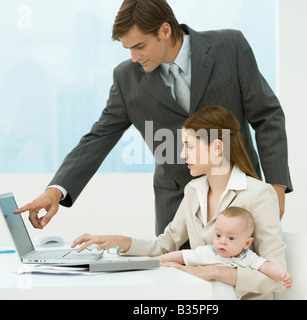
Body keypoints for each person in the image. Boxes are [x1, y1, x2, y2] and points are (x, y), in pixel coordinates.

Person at [14, 0, 292, 238]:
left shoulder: (230, 47)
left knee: (244, 281)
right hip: (176, 207)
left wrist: (275, 187)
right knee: (177, 288)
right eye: (128, 50)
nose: (134, 58)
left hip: (240, 196)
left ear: (165, 30)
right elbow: (98, 137)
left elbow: (267, 115)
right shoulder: (126, 78)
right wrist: (55, 191)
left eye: (139, 46)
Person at [71, 105, 287, 300]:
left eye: (189, 146)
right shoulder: (193, 190)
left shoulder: (258, 194)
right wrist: (118, 240)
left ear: (217, 148)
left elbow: (276, 278)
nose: (182, 154)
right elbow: (166, 245)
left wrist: (212, 271)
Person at [153, 206, 292, 290]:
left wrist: (282, 275)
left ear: (247, 243)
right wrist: (159, 259)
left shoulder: (247, 257)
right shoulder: (208, 252)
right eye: (218, 235)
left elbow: (265, 267)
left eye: (231, 238)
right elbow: (182, 255)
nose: (222, 242)